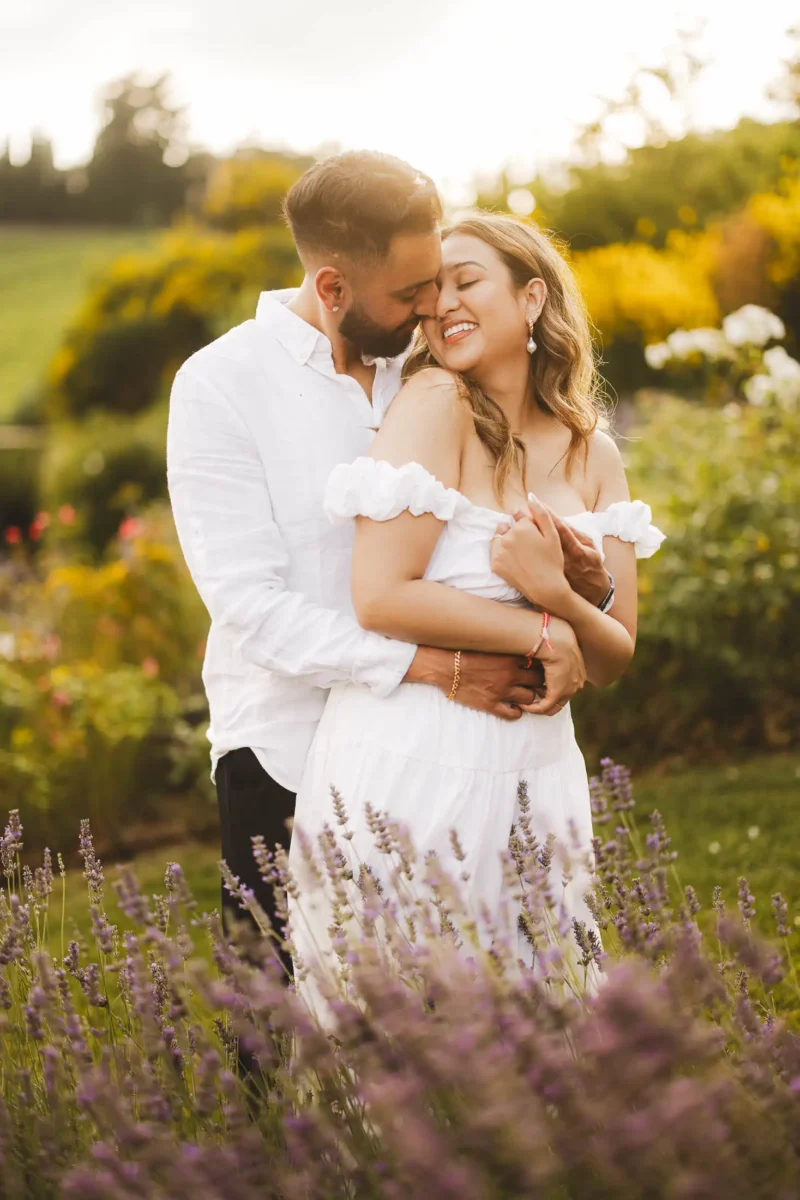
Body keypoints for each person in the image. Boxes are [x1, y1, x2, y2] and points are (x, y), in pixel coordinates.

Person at [166, 154, 609, 976]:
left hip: (437, 755)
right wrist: (439, 667)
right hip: (285, 752)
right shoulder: (222, 386)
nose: (433, 306)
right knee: (288, 1033)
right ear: (333, 289)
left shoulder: (432, 372)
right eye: (411, 293)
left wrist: (576, 579)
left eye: (437, 281)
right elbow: (252, 609)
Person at [288, 213, 665, 1008]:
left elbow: (615, 652)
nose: (441, 306)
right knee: (404, 1044)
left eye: (467, 282)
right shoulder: (435, 402)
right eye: (431, 294)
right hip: (410, 760)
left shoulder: (593, 452)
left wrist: (558, 594)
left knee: (542, 1039)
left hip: (538, 776)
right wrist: (540, 628)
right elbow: (381, 596)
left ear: (532, 299)